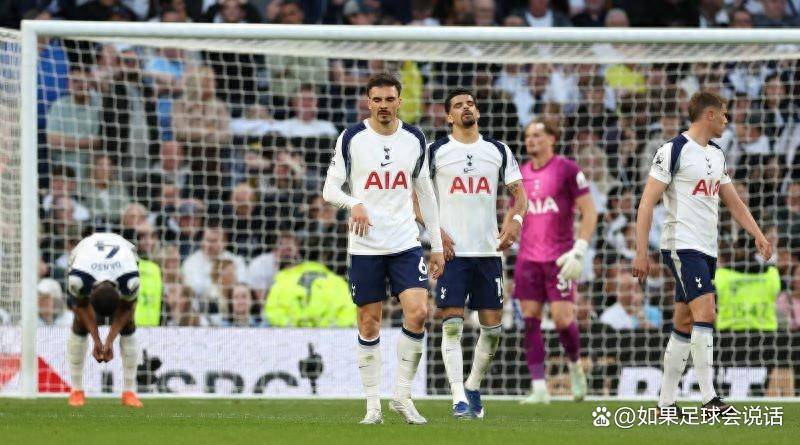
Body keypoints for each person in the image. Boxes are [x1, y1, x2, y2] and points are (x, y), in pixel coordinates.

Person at [633, 91, 772, 415]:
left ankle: (665, 404)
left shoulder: (717, 154)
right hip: (682, 245)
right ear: (709, 115)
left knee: (684, 321)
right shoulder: (673, 150)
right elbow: (646, 202)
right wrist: (641, 251)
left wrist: (758, 234)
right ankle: (709, 399)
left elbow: (734, 202)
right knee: (706, 312)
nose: (727, 120)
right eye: (723, 114)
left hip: (707, 248)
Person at [322, 72, 444, 425]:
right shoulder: (352, 138)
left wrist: (436, 244)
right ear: (368, 102)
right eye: (377, 99)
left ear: (400, 101)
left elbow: (425, 193)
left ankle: (402, 396)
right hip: (366, 246)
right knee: (369, 323)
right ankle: (372, 405)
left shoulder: (414, 138)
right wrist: (354, 203)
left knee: (418, 313)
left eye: (390, 99)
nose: (384, 106)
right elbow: (330, 190)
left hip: (405, 242)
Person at [425, 88, 526, 419]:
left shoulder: (497, 150)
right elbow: (416, 195)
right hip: (451, 253)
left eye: (470, 104)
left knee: (493, 330)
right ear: (448, 116)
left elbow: (520, 194)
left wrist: (515, 222)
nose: (465, 108)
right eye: (458, 105)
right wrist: (434, 232)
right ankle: (458, 397)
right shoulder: (435, 151)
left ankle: (472, 385)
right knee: (452, 326)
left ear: (478, 112)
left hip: (488, 252)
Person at [516, 119, 598, 405]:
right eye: (528, 136)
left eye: (538, 135)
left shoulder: (567, 169)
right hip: (528, 259)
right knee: (530, 320)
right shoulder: (521, 173)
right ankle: (539, 386)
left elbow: (589, 211)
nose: (531, 140)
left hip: (560, 259)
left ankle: (575, 366)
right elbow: (515, 211)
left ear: (552, 138)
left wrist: (580, 249)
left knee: (563, 319)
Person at [64, 232, 143, 408]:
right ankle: (76, 390)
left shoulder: (130, 279)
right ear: (90, 292)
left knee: (128, 323)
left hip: (124, 249)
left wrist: (109, 342)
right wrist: (97, 340)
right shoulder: (78, 278)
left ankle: (129, 392)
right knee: (80, 323)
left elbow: (126, 309)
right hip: (84, 250)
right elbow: (81, 306)